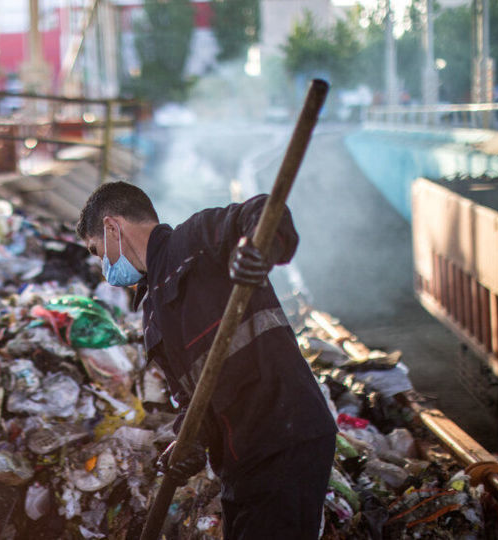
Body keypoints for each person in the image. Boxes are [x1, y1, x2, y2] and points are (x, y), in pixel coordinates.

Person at [76, 182, 337, 539]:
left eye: (97, 251)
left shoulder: (194, 241)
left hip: (283, 432)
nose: (103, 265)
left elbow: (262, 210)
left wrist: (258, 248)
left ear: (112, 227)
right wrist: (189, 442)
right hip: (239, 460)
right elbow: (191, 398)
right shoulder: (152, 314)